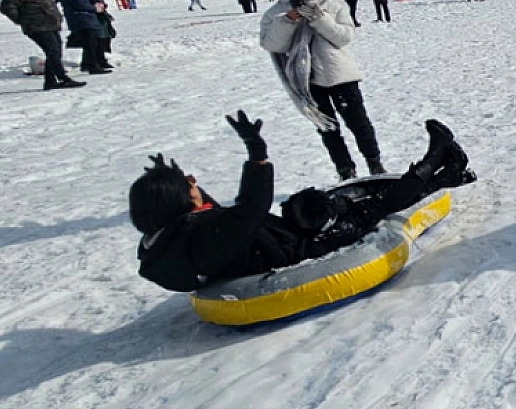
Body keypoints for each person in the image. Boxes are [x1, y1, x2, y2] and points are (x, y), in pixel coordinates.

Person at [128, 112, 474, 293]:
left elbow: (220, 222)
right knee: (374, 206)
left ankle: (451, 174)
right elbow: (248, 211)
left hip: (281, 239)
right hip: (304, 249)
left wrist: (176, 186)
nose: (193, 182)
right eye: (186, 184)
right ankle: (438, 154)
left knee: (324, 203)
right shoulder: (203, 238)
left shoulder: (174, 242)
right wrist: (257, 158)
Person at [260, 0, 386, 179]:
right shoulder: (277, 12)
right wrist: (287, 22)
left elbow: (345, 36)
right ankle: (345, 171)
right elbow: (271, 44)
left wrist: (320, 19)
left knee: (359, 124)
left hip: (340, 75)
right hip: (308, 80)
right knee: (328, 129)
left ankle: (375, 163)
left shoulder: (330, 3)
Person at [3, 0, 84, 90]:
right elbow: (7, 7)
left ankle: (50, 81)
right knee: (53, 51)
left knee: (55, 52)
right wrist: (22, 20)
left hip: (51, 26)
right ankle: (62, 78)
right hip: (37, 27)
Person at [57, 0, 113, 73]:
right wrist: (94, 8)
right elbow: (79, 4)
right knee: (90, 43)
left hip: (85, 19)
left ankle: (90, 63)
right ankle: (91, 65)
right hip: (81, 19)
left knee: (92, 42)